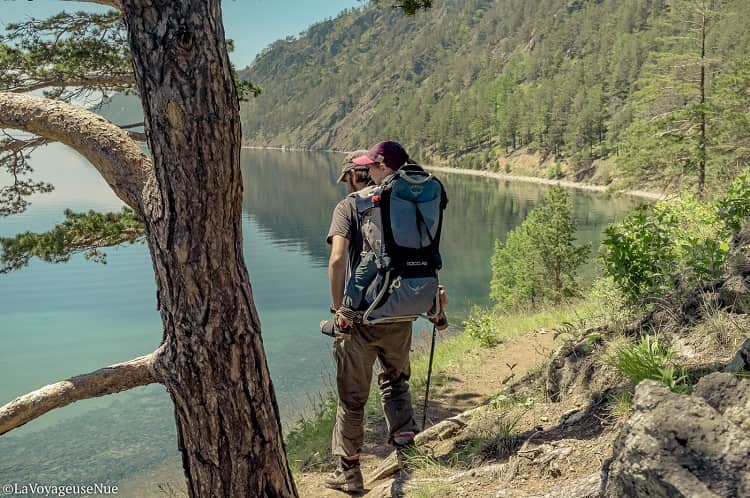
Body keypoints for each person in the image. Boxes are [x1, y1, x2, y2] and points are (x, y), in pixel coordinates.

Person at [324, 141, 441, 493]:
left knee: (352, 399)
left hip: (362, 317)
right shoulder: (409, 202)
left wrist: (339, 310)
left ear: (353, 177)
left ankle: (350, 474)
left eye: (348, 177)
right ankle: (408, 458)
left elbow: (336, 260)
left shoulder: (349, 207)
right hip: (401, 310)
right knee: (395, 383)